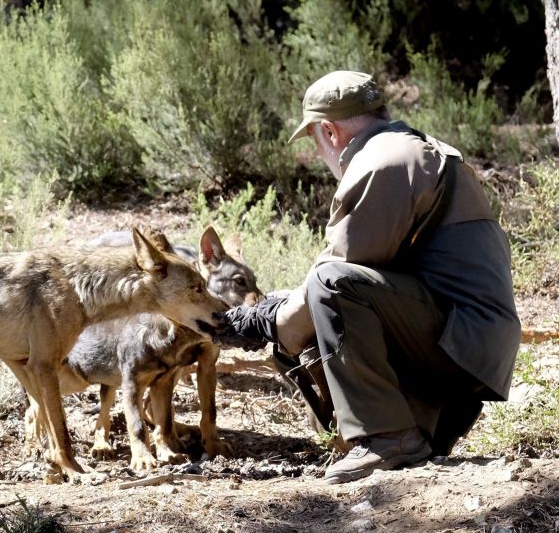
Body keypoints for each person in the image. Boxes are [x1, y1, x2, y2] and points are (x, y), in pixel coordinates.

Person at [217, 70, 521, 484]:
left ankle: (387, 436)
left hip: (460, 346)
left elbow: (337, 275)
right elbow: (380, 272)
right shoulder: (409, 150)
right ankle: (414, 427)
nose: (322, 155)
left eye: (315, 141)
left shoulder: (383, 161)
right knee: (312, 296)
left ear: (329, 131)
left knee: (328, 287)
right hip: (469, 344)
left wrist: (267, 322)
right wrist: (278, 312)